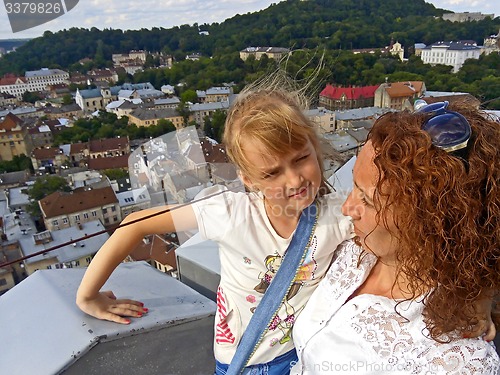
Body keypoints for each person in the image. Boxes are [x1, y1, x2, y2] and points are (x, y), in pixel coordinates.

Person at [76, 78, 353, 374]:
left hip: (300, 358)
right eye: (272, 173)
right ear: (248, 179)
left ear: (315, 145)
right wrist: (87, 297)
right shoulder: (231, 214)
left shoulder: (339, 213)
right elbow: (134, 224)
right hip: (238, 362)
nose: (295, 179)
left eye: (301, 159)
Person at [290, 101, 500, 374]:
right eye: (353, 185)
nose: (347, 209)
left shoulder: (456, 359)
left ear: (431, 223)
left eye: (367, 200)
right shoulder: (351, 245)